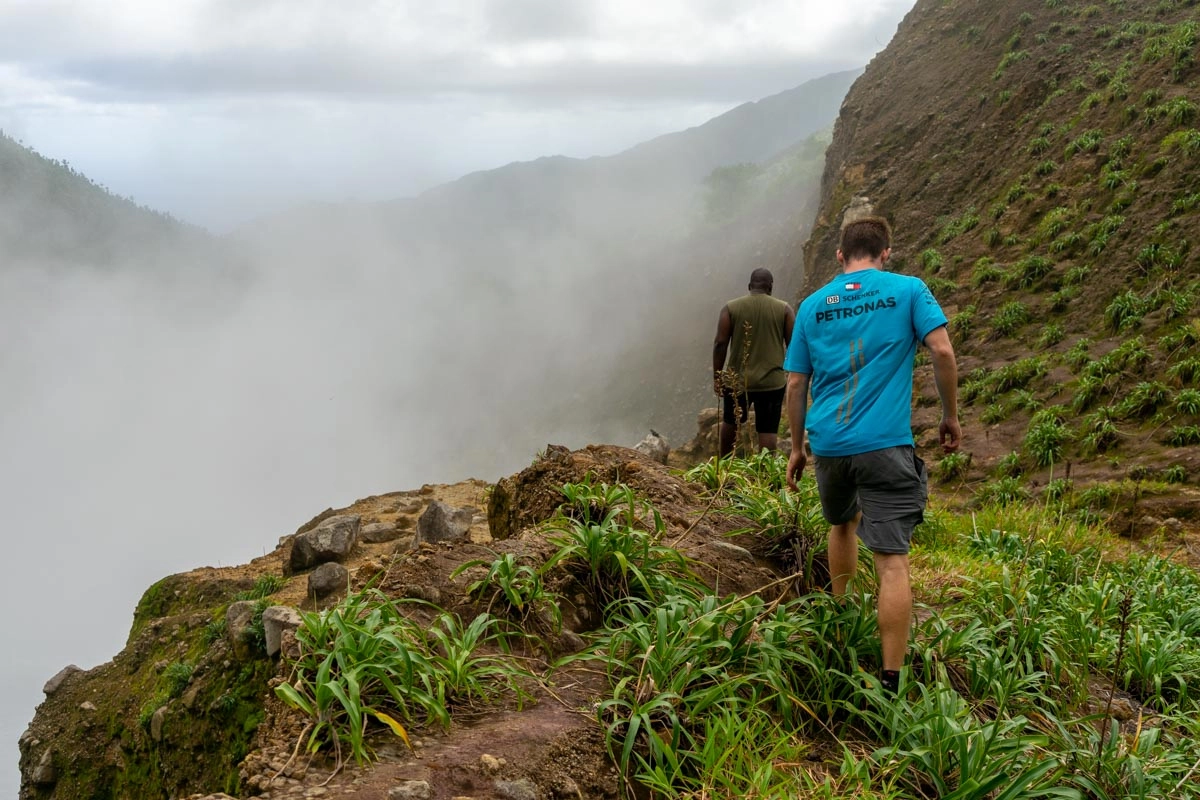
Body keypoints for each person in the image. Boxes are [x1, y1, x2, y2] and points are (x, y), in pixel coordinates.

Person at [783, 216, 960, 694]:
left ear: (840, 256)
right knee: (893, 563)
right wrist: (949, 416)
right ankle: (890, 679)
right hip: (885, 444)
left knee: (841, 523)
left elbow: (797, 383)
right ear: (886, 252)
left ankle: (841, 622)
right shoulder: (908, 290)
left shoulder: (813, 306)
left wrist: (797, 447)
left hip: (830, 446)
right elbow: (942, 352)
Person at [713, 268, 796, 457]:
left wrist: (718, 376)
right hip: (772, 383)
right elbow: (794, 345)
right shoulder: (784, 309)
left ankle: (725, 468)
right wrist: (791, 376)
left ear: (750, 286)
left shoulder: (730, 308)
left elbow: (720, 343)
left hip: (737, 380)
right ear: (771, 287)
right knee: (767, 431)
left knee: (730, 422)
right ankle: (765, 475)